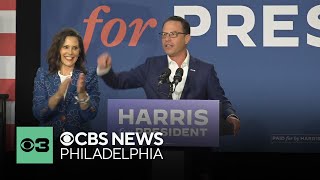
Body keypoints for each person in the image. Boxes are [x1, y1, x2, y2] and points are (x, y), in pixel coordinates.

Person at [97, 16, 240, 179]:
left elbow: (220, 99)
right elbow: (119, 82)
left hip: (196, 150)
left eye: (173, 34)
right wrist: (106, 71)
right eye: (164, 35)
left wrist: (230, 115)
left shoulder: (205, 70)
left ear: (186, 38)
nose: (167, 39)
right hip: (162, 150)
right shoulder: (151, 66)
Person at [32, 28, 100, 139]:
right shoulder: (43, 75)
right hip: (46, 141)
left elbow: (90, 115)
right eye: (66, 47)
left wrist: (82, 94)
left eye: (75, 48)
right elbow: (39, 113)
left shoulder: (88, 75)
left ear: (79, 52)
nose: (70, 52)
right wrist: (58, 95)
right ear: (58, 49)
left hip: (78, 141)